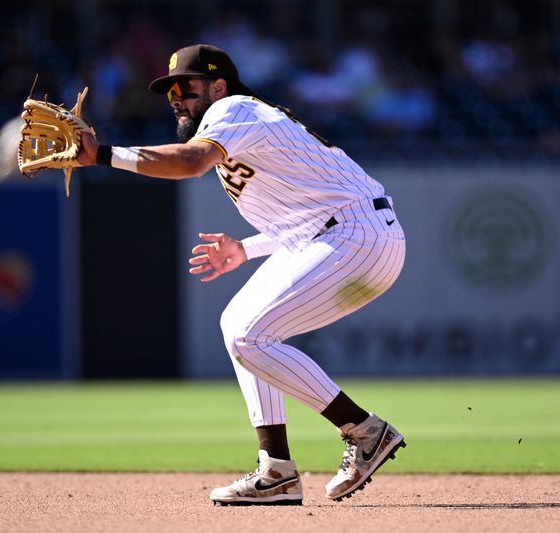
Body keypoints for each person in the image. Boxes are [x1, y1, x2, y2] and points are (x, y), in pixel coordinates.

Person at [78, 44, 407, 506]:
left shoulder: (234, 108)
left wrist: (102, 155)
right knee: (239, 328)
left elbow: (189, 163)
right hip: (345, 235)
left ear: (218, 85)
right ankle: (276, 471)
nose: (175, 96)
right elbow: (306, 216)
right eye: (169, 89)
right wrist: (245, 249)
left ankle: (366, 431)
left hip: (358, 236)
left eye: (185, 86)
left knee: (249, 334)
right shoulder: (235, 124)